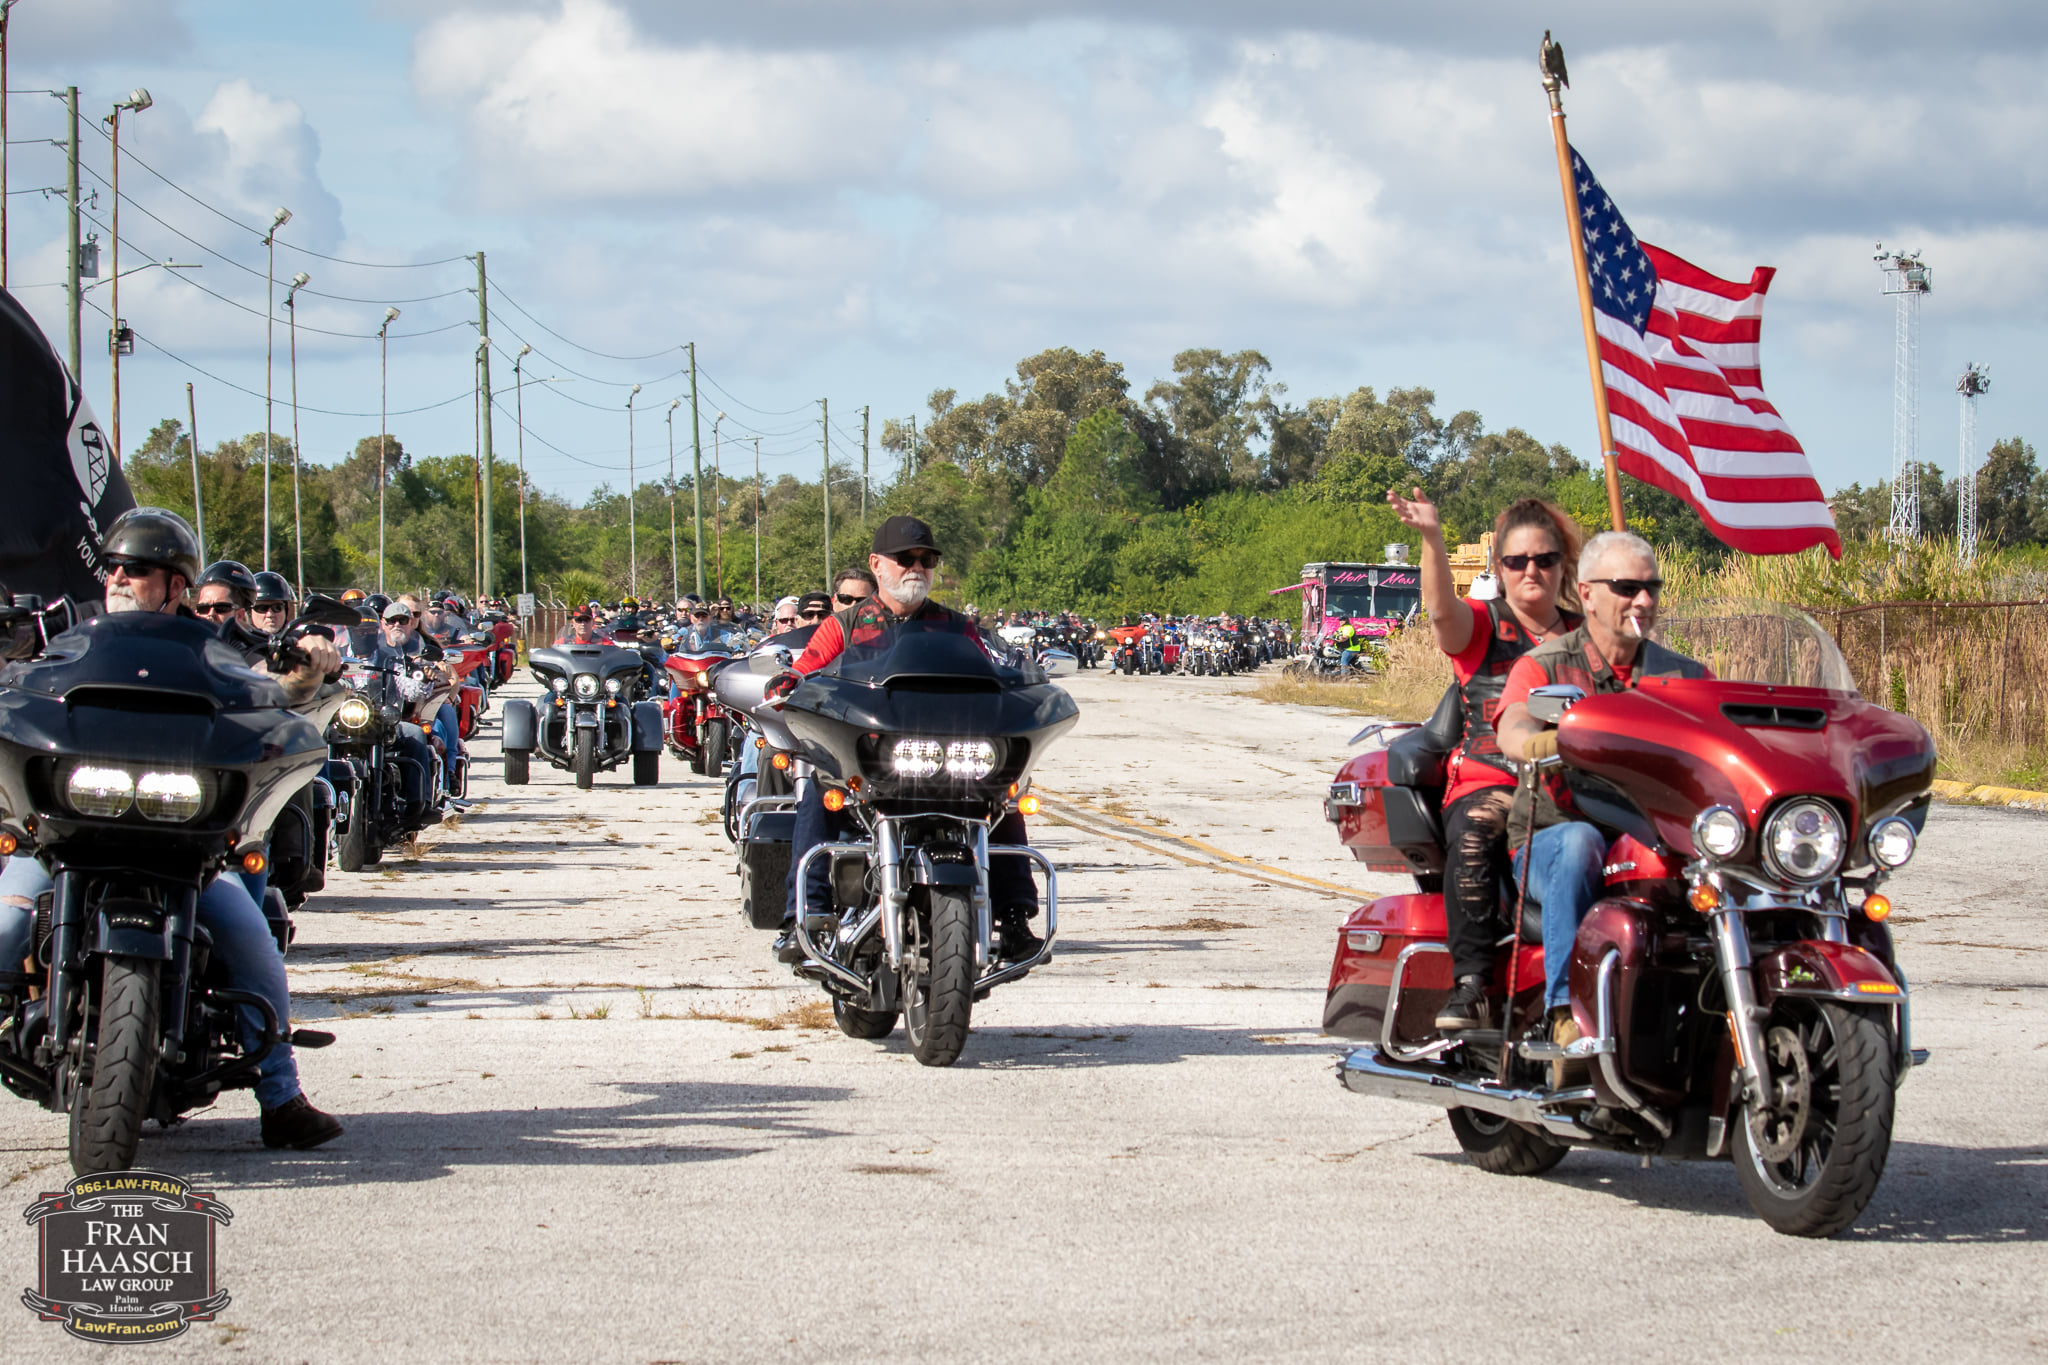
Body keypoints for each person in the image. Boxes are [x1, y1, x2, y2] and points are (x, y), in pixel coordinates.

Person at [0, 509, 343, 1149]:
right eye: (114, 566)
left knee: (254, 947)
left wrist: (309, 664)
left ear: (176, 584)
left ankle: (281, 1096)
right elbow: (17, 664)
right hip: (62, 840)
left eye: (139, 569)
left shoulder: (221, 647)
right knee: (5, 927)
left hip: (181, 846)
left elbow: (276, 689)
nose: (120, 579)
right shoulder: (69, 626)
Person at [769, 516, 1042, 965]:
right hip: (871, 762)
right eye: (905, 559)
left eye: (926, 558)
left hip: (949, 761)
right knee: (818, 792)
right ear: (878, 564)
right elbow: (808, 667)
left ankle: (1014, 918)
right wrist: (789, 682)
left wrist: (1028, 682)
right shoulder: (844, 626)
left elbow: (1000, 669)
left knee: (1006, 793)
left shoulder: (957, 628)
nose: (916, 567)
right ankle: (805, 915)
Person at [1492, 530, 1709, 1073]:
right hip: (1551, 840)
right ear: (1586, 593)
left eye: (1652, 588)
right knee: (1581, 841)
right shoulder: (1546, 667)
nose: (1644, 601)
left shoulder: (1684, 677)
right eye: (1627, 587)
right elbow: (1513, 726)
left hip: (1650, 841)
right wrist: (1544, 740)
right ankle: (1567, 1011)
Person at [1386, 489, 1586, 1033]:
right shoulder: (1484, 625)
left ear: (1562, 565)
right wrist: (1432, 538)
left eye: (1544, 560)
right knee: (1476, 831)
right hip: (1492, 778)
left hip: (1573, 783)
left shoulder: (1586, 635)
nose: (1531, 572)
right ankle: (1472, 983)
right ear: (1499, 567)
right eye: (1517, 561)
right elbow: (1439, 613)